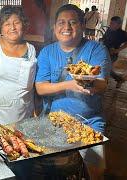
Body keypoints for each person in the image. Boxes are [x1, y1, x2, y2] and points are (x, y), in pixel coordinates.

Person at [35, 4, 111, 180]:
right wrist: (70, 84)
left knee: (96, 170)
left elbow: (102, 85)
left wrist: (88, 82)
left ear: (83, 26)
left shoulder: (96, 49)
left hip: (89, 121)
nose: (66, 27)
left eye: (73, 22)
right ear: (54, 28)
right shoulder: (47, 52)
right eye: (61, 22)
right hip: (55, 119)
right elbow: (41, 87)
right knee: (51, 170)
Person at [102, 16, 127, 88]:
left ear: (118, 24)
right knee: (105, 68)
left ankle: (115, 80)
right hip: (104, 52)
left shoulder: (122, 33)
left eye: (113, 23)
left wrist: (118, 50)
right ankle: (117, 79)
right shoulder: (109, 30)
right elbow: (104, 39)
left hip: (112, 54)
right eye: (110, 23)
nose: (110, 25)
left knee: (106, 68)